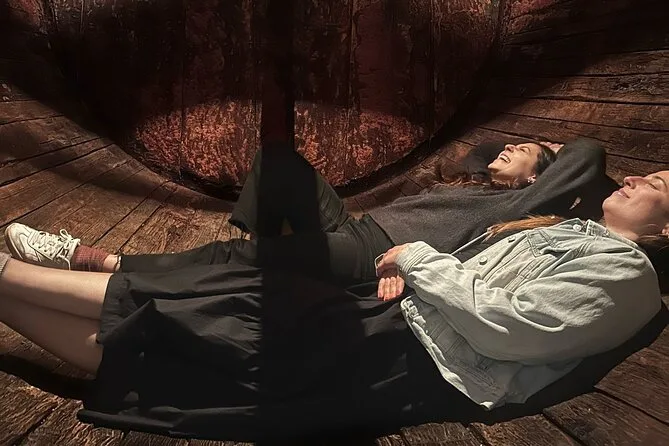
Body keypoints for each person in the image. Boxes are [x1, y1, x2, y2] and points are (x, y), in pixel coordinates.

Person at [0, 171, 665, 440]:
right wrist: (411, 271)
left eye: (659, 182)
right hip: (396, 318)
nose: (637, 177)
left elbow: (511, 329)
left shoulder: (626, 274)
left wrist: (414, 259)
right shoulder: (567, 234)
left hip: (414, 360)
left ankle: (11, 276)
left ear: (667, 230)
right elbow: (475, 290)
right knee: (219, 306)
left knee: (204, 339)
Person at [4, 139, 612, 286]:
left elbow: (588, 154)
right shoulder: (474, 184)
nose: (506, 150)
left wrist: (551, 149)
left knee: (238, 258)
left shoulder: (520, 203)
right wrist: (514, 154)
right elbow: (480, 150)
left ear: (540, 178)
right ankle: (255, 260)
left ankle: (95, 260)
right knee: (279, 162)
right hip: (353, 229)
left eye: (523, 151)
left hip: (372, 255)